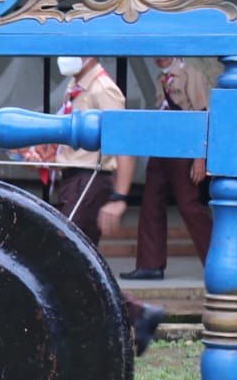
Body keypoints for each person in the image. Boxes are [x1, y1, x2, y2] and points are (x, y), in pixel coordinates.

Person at [21, 56, 163, 354]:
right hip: (72, 179)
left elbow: (124, 145)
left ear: (89, 53)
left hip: (90, 181)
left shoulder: (103, 89)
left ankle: (135, 313)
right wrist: (46, 158)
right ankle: (129, 316)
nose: (64, 56)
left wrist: (119, 198)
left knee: (65, 257)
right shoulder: (74, 86)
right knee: (70, 260)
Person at [119, 56, 213, 281]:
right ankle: (149, 264)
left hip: (185, 148)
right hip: (162, 146)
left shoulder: (191, 75)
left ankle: (216, 258)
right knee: (151, 203)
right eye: (155, 53)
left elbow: (204, 115)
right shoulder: (162, 78)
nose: (158, 58)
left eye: (164, 52)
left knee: (188, 205)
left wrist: (201, 157)